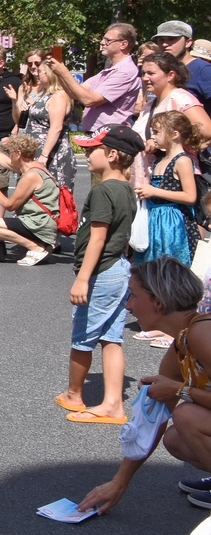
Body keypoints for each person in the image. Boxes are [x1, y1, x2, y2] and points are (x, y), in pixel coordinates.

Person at [75, 258, 209, 514]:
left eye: (133, 296)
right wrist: (120, 482)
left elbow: (175, 397)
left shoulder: (203, 334)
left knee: (186, 415)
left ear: (158, 302)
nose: (128, 305)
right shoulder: (183, 341)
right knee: (175, 439)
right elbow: (154, 417)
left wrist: (180, 391)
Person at [59, 124, 144, 425]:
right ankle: (112, 404)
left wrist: (83, 277)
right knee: (111, 337)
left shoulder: (104, 190)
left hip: (102, 271)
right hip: (118, 267)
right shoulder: (125, 189)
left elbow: (97, 237)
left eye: (91, 148)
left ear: (112, 154)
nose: (86, 152)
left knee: (83, 336)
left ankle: (74, 394)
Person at [0, 132, 62, 265]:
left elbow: (10, 205)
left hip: (39, 223)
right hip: (42, 221)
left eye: (10, 152)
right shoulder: (33, 167)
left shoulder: (31, 175)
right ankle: (43, 244)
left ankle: (36, 247)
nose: (9, 155)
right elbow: (3, 160)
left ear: (18, 153)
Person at [49, 23, 142, 135]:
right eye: (103, 39)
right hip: (97, 134)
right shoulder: (110, 69)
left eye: (108, 40)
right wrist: (58, 73)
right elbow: (75, 93)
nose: (102, 43)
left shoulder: (125, 71)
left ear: (124, 44)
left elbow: (89, 100)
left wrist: (64, 72)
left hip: (109, 137)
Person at [137, 111, 201, 267]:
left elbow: (190, 196)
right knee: (153, 266)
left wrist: (154, 191)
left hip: (174, 222)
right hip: (156, 219)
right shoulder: (160, 160)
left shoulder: (182, 160)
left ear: (174, 134)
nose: (153, 137)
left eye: (157, 132)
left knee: (172, 266)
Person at [16, 53, 75, 191]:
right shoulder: (45, 95)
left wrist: (44, 156)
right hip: (35, 150)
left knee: (51, 193)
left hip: (52, 154)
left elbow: (56, 128)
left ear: (50, 74)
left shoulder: (59, 96)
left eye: (41, 72)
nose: (38, 74)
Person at [156, 20, 211, 105]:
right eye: (161, 40)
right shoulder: (161, 71)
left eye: (171, 39)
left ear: (188, 42)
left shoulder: (204, 70)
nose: (164, 44)